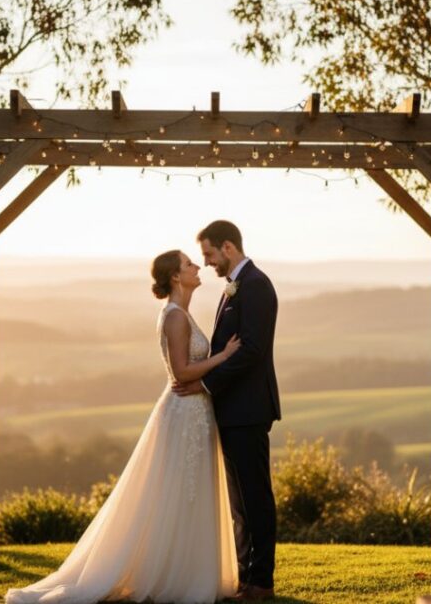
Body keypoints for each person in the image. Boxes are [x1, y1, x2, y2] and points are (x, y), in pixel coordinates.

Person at [5, 249, 240, 604]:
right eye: (189, 264)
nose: (196, 267)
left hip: (196, 412)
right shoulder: (175, 317)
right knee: (177, 491)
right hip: (183, 413)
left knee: (188, 493)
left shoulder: (183, 313)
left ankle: (188, 572)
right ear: (176, 277)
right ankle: (169, 575)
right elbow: (181, 372)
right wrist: (222, 357)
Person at [172, 220, 281, 602]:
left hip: (248, 409)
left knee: (255, 497)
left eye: (209, 254)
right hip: (233, 410)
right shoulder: (235, 286)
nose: (207, 263)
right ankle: (247, 577)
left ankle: (262, 582)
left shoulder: (256, 286)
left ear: (228, 248)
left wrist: (205, 384)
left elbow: (251, 351)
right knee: (240, 503)